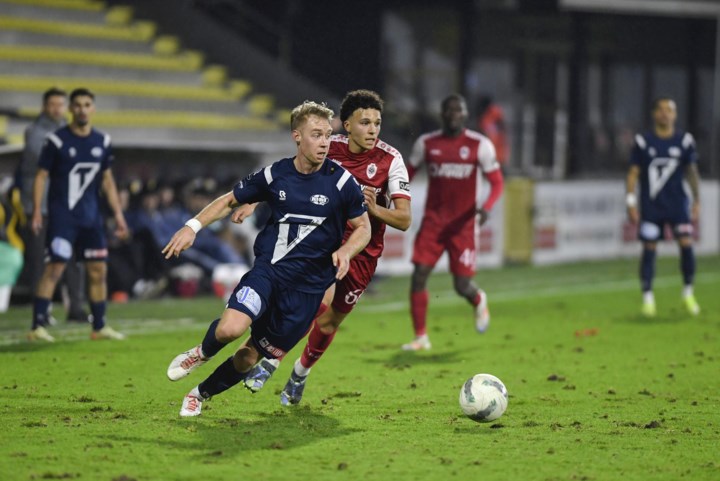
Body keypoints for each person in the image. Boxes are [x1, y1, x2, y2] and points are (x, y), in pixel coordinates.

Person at [163, 100, 371, 417]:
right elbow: (231, 199)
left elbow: (363, 228)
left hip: (306, 294)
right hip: (269, 275)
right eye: (316, 134)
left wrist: (345, 250)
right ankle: (201, 352)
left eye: (328, 135)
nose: (325, 142)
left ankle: (200, 394)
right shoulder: (276, 174)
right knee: (229, 330)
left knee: (247, 359)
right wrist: (193, 226)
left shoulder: (341, 182)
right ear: (297, 136)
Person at [239, 89, 412, 406]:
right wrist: (253, 199)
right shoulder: (326, 146)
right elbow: (289, 175)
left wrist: (373, 210)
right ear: (347, 125)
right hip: (323, 241)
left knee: (330, 321)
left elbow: (404, 219)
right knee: (317, 301)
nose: (373, 129)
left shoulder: (391, 160)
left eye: (377, 123)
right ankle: (271, 358)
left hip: (364, 251)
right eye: (365, 122)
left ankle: (299, 376)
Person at [402, 93, 504, 351]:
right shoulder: (426, 144)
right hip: (433, 224)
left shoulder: (479, 145)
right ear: (442, 114)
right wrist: (390, 196)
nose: (454, 115)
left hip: (463, 226)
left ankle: (479, 299)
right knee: (419, 275)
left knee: (461, 285)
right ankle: (421, 338)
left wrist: (486, 208)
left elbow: (497, 182)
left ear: (465, 115)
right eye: (449, 110)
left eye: (459, 111)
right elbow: (405, 175)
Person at [27, 88, 129, 342]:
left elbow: (107, 179)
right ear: (71, 109)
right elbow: (40, 176)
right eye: (78, 105)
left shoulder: (102, 142)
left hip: (91, 219)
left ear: (92, 109)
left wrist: (118, 214)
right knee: (55, 268)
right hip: (63, 218)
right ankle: (37, 326)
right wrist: (38, 210)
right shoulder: (57, 141)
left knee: (98, 271)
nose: (82, 109)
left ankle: (100, 326)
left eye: (87, 104)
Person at [16, 88, 88, 323]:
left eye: (61, 104)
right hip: (40, 206)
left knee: (74, 259)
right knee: (42, 260)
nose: (57, 109)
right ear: (45, 107)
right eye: (53, 104)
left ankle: (75, 307)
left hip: (65, 206)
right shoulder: (35, 132)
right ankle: (42, 310)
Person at [625, 97, 701, 317]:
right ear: (654, 114)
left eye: (669, 110)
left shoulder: (684, 141)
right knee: (649, 248)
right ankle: (648, 298)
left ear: (675, 115)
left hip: (678, 205)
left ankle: (688, 292)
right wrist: (630, 201)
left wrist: (697, 200)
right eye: (661, 109)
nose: (665, 113)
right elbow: (633, 173)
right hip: (652, 206)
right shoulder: (643, 142)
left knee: (686, 244)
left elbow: (691, 172)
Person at [476, 95, 510, 167]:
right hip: (489, 147)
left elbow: (502, 124)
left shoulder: (494, 111)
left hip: (498, 148)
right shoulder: (483, 118)